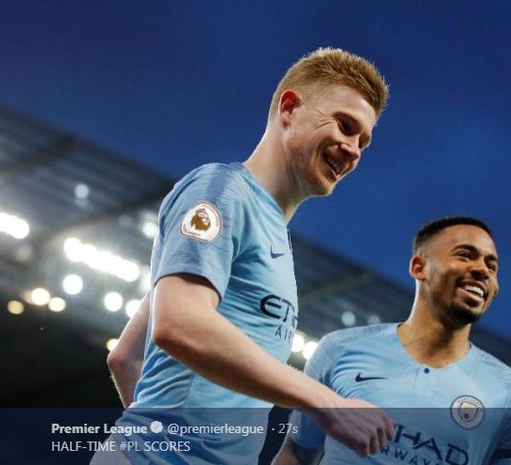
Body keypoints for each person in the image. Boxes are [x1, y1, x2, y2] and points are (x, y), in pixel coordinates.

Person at [92, 48, 395, 465]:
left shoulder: (272, 233)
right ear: (289, 108)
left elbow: (126, 356)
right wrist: (325, 402)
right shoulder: (221, 192)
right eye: (345, 126)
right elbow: (178, 323)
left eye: (363, 140)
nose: (354, 149)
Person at [272, 217, 511, 465]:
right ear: (419, 267)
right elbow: (296, 453)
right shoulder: (340, 350)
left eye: (491, 266)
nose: (482, 270)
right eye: (465, 255)